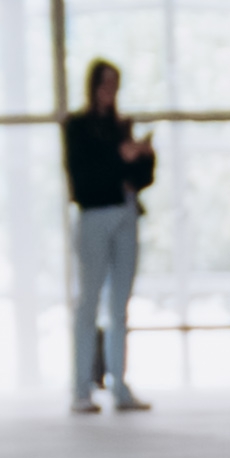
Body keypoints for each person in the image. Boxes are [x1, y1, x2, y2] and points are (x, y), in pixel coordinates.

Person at [60, 59, 157, 412]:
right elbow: (83, 177)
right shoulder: (78, 127)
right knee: (88, 304)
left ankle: (119, 386)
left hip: (125, 213)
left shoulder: (122, 126)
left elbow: (143, 175)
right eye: (105, 84)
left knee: (120, 307)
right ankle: (81, 389)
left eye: (115, 84)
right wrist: (121, 158)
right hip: (94, 217)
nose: (110, 91)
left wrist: (140, 156)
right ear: (93, 86)